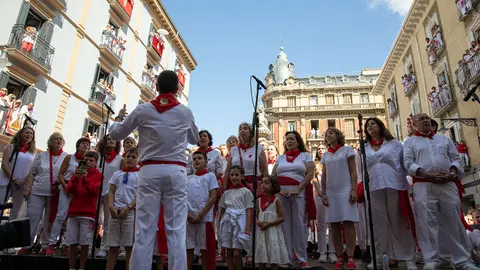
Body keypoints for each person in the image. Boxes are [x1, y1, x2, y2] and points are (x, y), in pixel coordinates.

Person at [108, 70, 199, 270]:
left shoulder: (143, 109)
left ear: (156, 87)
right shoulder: (185, 112)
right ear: (177, 89)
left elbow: (118, 132)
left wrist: (115, 121)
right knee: (176, 230)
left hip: (149, 171)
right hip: (176, 171)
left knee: (144, 229)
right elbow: (194, 139)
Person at [404, 113, 479, 270]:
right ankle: (432, 260)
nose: (426, 121)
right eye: (421, 119)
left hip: (447, 184)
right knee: (427, 223)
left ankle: (463, 260)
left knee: (453, 221)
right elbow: (408, 163)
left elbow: (455, 159)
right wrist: (427, 175)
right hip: (423, 186)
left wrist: (452, 173)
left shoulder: (444, 139)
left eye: (427, 119)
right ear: (414, 124)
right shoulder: (409, 142)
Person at [361, 117, 417, 270]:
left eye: (373, 124)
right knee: (379, 224)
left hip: (395, 185)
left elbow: (405, 165)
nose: (370, 127)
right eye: (368, 126)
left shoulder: (396, 144)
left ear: (380, 126)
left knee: (398, 221)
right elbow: (361, 171)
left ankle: (408, 258)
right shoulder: (364, 148)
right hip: (374, 187)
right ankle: (381, 258)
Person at [270, 131, 315, 268]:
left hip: (298, 192)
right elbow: (273, 176)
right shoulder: (281, 158)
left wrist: (298, 189)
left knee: (299, 225)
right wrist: (279, 190)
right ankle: (286, 257)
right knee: (284, 226)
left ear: (298, 141)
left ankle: (302, 258)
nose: (289, 141)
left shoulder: (305, 156)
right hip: (281, 194)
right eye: (287, 139)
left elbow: (310, 174)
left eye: (292, 139)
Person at [18, 132, 68, 255]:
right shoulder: (41, 156)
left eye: (61, 139)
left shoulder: (66, 157)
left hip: (55, 193)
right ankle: (27, 244)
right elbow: (32, 173)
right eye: (56, 139)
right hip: (37, 191)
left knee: (49, 221)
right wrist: (27, 189)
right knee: (32, 217)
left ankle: (46, 245)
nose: (58, 141)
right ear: (50, 142)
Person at [320, 128, 358, 270]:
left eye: (331, 133)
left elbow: (353, 171)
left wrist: (353, 189)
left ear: (338, 135)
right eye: (326, 134)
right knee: (334, 225)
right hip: (331, 192)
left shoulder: (347, 150)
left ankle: (351, 256)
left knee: (348, 223)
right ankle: (340, 256)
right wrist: (323, 193)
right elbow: (324, 176)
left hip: (346, 189)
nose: (328, 136)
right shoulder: (325, 155)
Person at [47, 137, 91, 255]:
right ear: (78, 145)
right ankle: (51, 244)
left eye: (87, 144)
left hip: (78, 192)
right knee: (61, 214)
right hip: (66, 188)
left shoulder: (89, 161)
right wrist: (65, 186)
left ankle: (68, 244)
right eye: (83, 143)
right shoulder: (69, 157)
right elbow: (61, 174)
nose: (85, 145)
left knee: (72, 219)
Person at [65, 151, 102, 270]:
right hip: (74, 211)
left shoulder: (98, 175)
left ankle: (81, 267)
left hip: (87, 213)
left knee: (85, 243)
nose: (88, 162)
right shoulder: (76, 173)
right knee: (72, 242)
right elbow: (69, 189)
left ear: (96, 163)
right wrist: (76, 178)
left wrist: (85, 179)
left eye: (91, 161)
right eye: (86, 160)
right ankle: (71, 267)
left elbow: (94, 191)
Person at [106, 147, 140, 270]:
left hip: (131, 212)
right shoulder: (118, 174)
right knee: (113, 246)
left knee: (129, 246)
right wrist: (111, 206)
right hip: (115, 210)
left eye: (133, 157)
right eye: (128, 156)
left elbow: (141, 194)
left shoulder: (140, 174)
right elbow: (111, 191)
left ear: (138, 159)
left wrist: (129, 207)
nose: (130, 159)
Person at [186, 151, 218, 270]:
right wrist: (187, 215)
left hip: (204, 218)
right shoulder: (188, 178)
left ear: (206, 162)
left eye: (200, 158)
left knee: (205, 250)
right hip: (189, 218)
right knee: (188, 248)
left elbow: (213, 196)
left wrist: (201, 214)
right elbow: (183, 198)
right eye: (194, 159)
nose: (197, 160)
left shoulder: (210, 176)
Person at [218, 165, 253, 270]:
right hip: (228, 223)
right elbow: (221, 209)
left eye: (236, 175)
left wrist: (247, 227)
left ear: (242, 176)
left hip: (239, 223)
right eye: (232, 175)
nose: (234, 177)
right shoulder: (227, 192)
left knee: (237, 253)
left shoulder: (246, 192)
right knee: (229, 251)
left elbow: (249, 210)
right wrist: (219, 225)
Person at [96, 135, 124, 258]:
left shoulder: (119, 159)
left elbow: (122, 176)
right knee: (94, 220)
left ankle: (104, 247)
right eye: (109, 139)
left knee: (107, 221)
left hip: (110, 192)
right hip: (96, 190)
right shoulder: (98, 157)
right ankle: (90, 245)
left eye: (114, 139)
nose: (111, 141)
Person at [0, 127, 36, 221]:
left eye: (31, 134)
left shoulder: (32, 153)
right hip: (6, 182)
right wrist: (14, 180)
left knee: (16, 212)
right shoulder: (11, 147)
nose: (29, 135)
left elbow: (32, 170)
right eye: (27, 132)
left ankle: (9, 232)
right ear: (20, 134)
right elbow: (4, 164)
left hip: (21, 186)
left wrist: (23, 181)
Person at [255, 176, 289, 269]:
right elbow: (257, 216)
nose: (263, 185)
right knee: (262, 259)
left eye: (266, 183)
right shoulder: (258, 201)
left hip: (273, 232)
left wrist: (269, 224)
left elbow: (282, 218)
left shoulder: (276, 201)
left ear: (273, 187)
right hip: (262, 232)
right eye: (262, 182)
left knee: (274, 258)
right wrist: (258, 222)